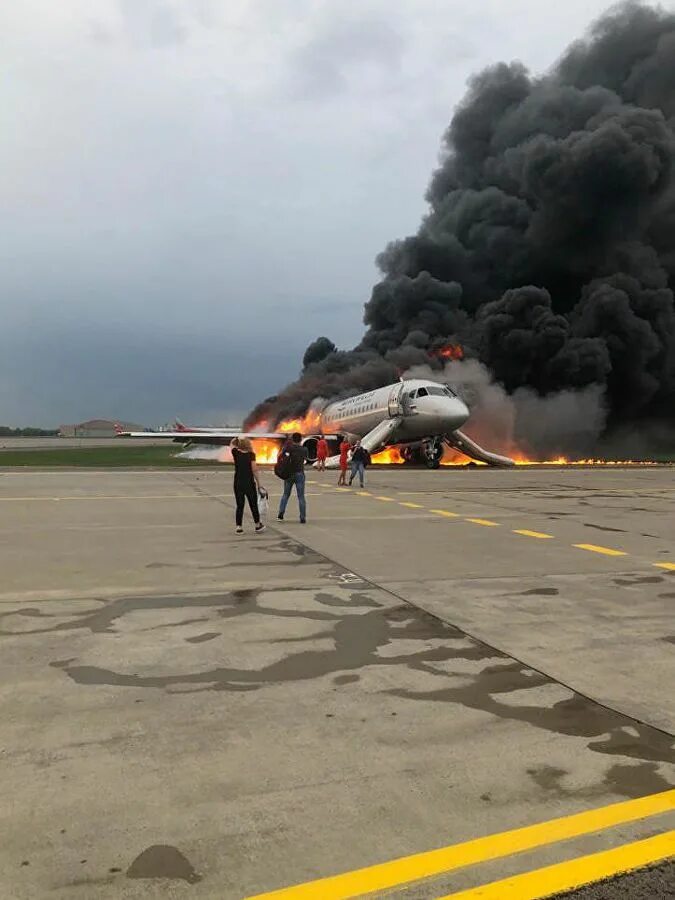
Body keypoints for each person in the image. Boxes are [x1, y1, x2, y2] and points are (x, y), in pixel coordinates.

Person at [231, 437, 266, 534]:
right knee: (253, 505)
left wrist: (237, 438)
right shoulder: (251, 455)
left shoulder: (236, 453)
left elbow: (232, 443)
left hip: (238, 482)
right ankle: (257, 525)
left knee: (240, 505)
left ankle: (239, 527)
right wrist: (259, 484)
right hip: (249, 483)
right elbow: (254, 469)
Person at [277, 432, 308, 523]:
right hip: (299, 473)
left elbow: (280, 456)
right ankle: (302, 517)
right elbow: (305, 459)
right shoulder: (304, 449)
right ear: (301, 439)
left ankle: (280, 514)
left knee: (286, 494)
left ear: (292, 439)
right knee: (301, 496)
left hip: (289, 474)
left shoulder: (288, 448)